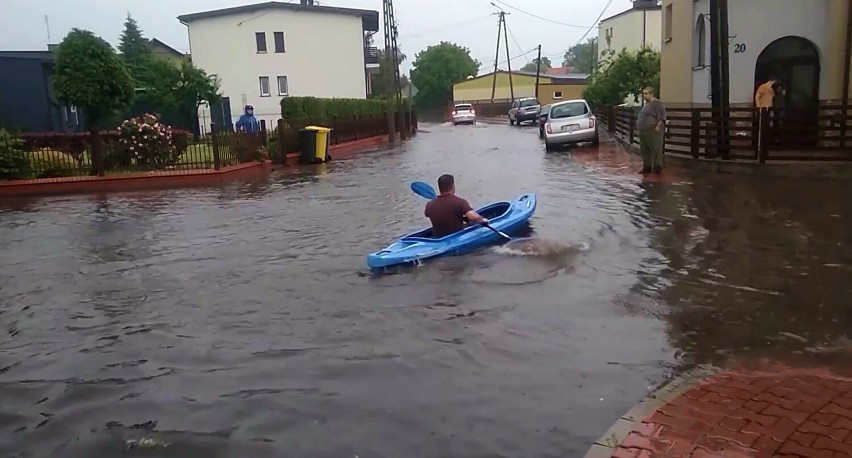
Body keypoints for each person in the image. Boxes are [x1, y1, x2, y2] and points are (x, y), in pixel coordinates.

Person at [424, 174, 489, 238]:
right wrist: (482, 219)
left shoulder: (429, 205)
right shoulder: (459, 202)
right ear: (452, 186)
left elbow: (427, 214)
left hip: (438, 238)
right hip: (456, 236)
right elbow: (472, 216)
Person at [637, 87, 667, 174]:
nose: (644, 96)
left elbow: (662, 116)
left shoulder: (657, 104)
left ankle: (657, 168)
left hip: (652, 130)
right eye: (643, 94)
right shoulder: (646, 104)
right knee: (644, 150)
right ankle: (647, 167)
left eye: (646, 94)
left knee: (656, 149)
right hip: (643, 131)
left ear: (651, 94)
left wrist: (658, 126)